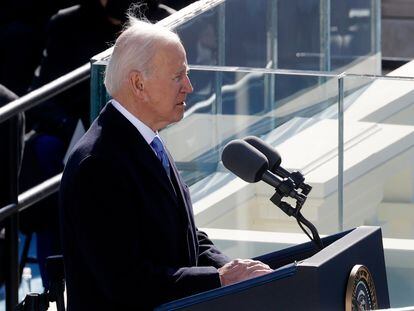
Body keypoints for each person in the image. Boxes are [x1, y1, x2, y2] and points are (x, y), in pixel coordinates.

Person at [60, 17, 273, 310]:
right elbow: (127, 283)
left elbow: (185, 237)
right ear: (138, 83)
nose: (189, 86)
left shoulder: (147, 140)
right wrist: (218, 279)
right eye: (178, 76)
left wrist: (236, 271)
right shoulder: (98, 163)